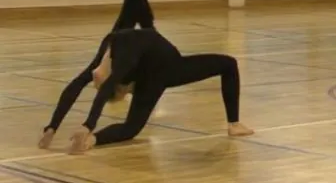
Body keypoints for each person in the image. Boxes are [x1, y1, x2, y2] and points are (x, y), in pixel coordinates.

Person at [39, 29, 254, 154]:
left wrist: (76, 126)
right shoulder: (110, 59)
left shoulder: (113, 57)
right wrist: (54, 127)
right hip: (160, 71)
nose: (95, 83)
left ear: (122, 86)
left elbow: (94, 88)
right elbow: (78, 86)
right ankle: (92, 141)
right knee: (131, 128)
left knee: (228, 64)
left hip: (165, 69)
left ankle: (234, 124)